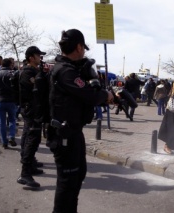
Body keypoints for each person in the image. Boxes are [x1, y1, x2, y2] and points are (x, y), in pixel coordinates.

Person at [48, 28, 113, 212]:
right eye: (83, 47)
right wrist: (106, 94)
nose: (84, 51)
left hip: (73, 132)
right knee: (67, 182)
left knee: (77, 176)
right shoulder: (65, 71)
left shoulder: (69, 69)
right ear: (78, 47)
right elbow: (88, 94)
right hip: (64, 135)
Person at [17, 46, 47, 188]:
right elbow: (34, 91)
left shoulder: (35, 71)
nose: (40, 57)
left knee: (33, 138)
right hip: (31, 110)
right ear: (31, 57)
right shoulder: (28, 72)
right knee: (32, 138)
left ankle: (31, 166)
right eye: (37, 55)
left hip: (35, 109)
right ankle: (25, 174)